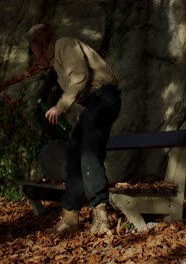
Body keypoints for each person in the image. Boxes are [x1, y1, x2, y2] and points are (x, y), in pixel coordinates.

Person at [26, 24, 121, 235]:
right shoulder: (55, 60)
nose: (33, 53)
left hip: (104, 98)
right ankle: (70, 217)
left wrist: (59, 107)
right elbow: (78, 88)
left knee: (89, 152)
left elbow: (80, 77)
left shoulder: (64, 44)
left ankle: (101, 216)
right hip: (94, 103)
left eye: (33, 46)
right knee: (73, 151)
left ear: (40, 43)